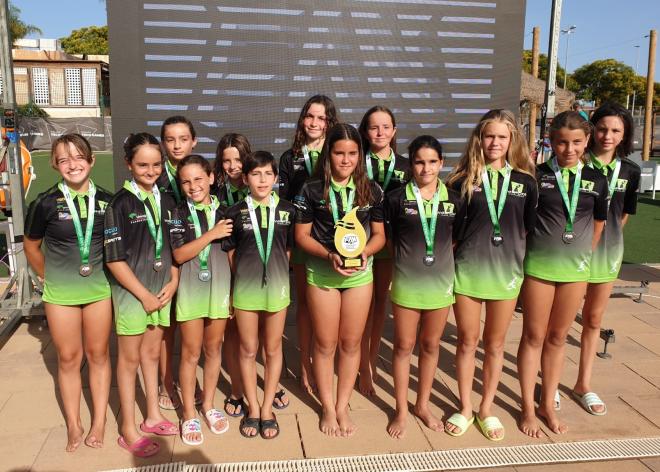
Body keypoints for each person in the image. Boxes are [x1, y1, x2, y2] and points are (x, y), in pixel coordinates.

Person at [445, 110, 538, 441]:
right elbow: (452, 231)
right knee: (467, 341)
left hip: (506, 273)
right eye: (489, 136)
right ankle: (466, 407)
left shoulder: (526, 182)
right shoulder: (461, 180)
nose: (495, 142)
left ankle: (487, 408)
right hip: (468, 271)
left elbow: (526, 228)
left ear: (511, 140)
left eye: (501, 136)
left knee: (495, 345)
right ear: (479, 139)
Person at [517, 111, 608, 437]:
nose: (569, 149)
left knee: (557, 339)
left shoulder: (597, 179)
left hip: (575, 272)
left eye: (576, 143)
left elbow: (599, 223)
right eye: (561, 142)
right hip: (539, 269)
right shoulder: (535, 175)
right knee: (533, 337)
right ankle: (528, 407)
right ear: (551, 142)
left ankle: (546, 403)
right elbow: (525, 224)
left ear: (587, 141)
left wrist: (583, 256)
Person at [294, 123, 386, 437]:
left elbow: (379, 237)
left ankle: (343, 404)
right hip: (322, 273)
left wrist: (365, 254)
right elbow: (302, 236)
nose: (345, 160)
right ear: (328, 155)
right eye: (338, 153)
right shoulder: (310, 189)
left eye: (352, 153)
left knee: (350, 343)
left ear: (360, 155)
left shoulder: (371, 190)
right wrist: (327, 255)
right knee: (325, 344)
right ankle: (328, 406)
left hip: (360, 275)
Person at [24, 134, 113, 452]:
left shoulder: (107, 200)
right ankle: (74, 424)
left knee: (99, 355)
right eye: (64, 159)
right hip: (61, 293)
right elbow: (31, 246)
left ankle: (99, 422)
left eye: (79, 157)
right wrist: (50, 276)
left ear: (91, 161)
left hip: (99, 291)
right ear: (55, 165)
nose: (72, 164)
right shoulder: (44, 203)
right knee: (67, 357)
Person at [104, 133, 179, 457]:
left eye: (156, 164)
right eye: (143, 165)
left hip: (161, 290)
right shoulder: (119, 204)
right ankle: (127, 427)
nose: (151, 171)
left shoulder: (167, 199)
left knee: (151, 355)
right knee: (130, 359)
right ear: (128, 164)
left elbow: (174, 248)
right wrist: (143, 296)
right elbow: (114, 259)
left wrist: (174, 280)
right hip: (133, 295)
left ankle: (152, 415)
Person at [385, 135, 461, 439]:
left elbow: (456, 238)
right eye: (419, 161)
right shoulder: (394, 199)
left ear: (441, 164)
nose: (426, 167)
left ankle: (422, 404)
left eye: (432, 161)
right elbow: (391, 240)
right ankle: (401, 409)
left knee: (430, 345)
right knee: (404, 346)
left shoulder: (455, 200)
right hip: (406, 282)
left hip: (440, 283)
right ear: (411, 164)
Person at [571, 103, 640, 415]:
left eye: (615, 131)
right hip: (571, 254)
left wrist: (604, 241)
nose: (607, 136)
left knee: (593, 320)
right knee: (556, 326)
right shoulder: (572, 165)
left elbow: (623, 214)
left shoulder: (630, 171)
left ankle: (583, 383)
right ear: (591, 131)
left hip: (608, 253)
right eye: (602, 129)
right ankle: (548, 381)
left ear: (624, 135)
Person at [223, 151, 296, 439]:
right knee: (247, 349)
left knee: (273, 348)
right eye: (255, 174)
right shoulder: (235, 212)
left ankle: (267, 408)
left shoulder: (288, 211)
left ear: (276, 178)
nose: (262, 179)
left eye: (268, 173)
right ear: (245, 179)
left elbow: (288, 250)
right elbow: (230, 252)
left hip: (277, 290)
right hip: (246, 290)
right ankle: (252, 407)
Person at [169, 155, 234, 445]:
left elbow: (233, 254)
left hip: (219, 288)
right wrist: (212, 234)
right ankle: (188, 413)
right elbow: (180, 255)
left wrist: (234, 292)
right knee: (190, 353)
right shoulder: (178, 213)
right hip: (191, 290)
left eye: (198, 179)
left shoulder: (227, 210)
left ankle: (208, 405)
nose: (193, 186)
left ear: (210, 177)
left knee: (213, 349)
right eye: (185, 181)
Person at [279, 95, 338, 394]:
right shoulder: (290, 157)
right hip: (304, 242)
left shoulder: (338, 152)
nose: (315, 123)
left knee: (327, 308)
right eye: (310, 117)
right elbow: (286, 204)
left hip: (335, 241)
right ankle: (305, 365)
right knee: (304, 306)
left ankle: (324, 361)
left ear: (330, 122)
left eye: (321, 118)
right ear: (303, 120)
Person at [357, 105, 409, 396]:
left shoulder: (405, 166)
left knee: (378, 306)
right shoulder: (355, 162)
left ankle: (369, 365)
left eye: (386, 127)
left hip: (390, 245)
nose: (380, 133)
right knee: (358, 308)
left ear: (394, 131)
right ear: (365, 131)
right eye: (374, 127)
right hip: (359, 243)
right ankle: (355, 361)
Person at [157, 116, 198, 411]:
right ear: (163, 143)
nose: (177, 145)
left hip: (195, 258)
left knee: (195, 325)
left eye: (183, 139)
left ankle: (191, 380)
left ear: (193, 141)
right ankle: (167, 380)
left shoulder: (200, 173)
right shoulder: (155, 176)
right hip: (163, 256)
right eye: (170, 139)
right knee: (167, 325)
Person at [212, 132, 252, 416]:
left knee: (257, 333)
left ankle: (267, 385)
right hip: (226, 269)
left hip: (254, 271)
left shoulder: (260, 188)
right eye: (226, 160)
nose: (232, 165)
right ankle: (237, 390)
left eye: (237, 158)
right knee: (232, 332)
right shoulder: (217, 194)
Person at [213, 133, 250, 206]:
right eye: (227, 161)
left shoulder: (260, 191)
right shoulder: (215, 196)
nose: (232, 166)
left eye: (238, 160)